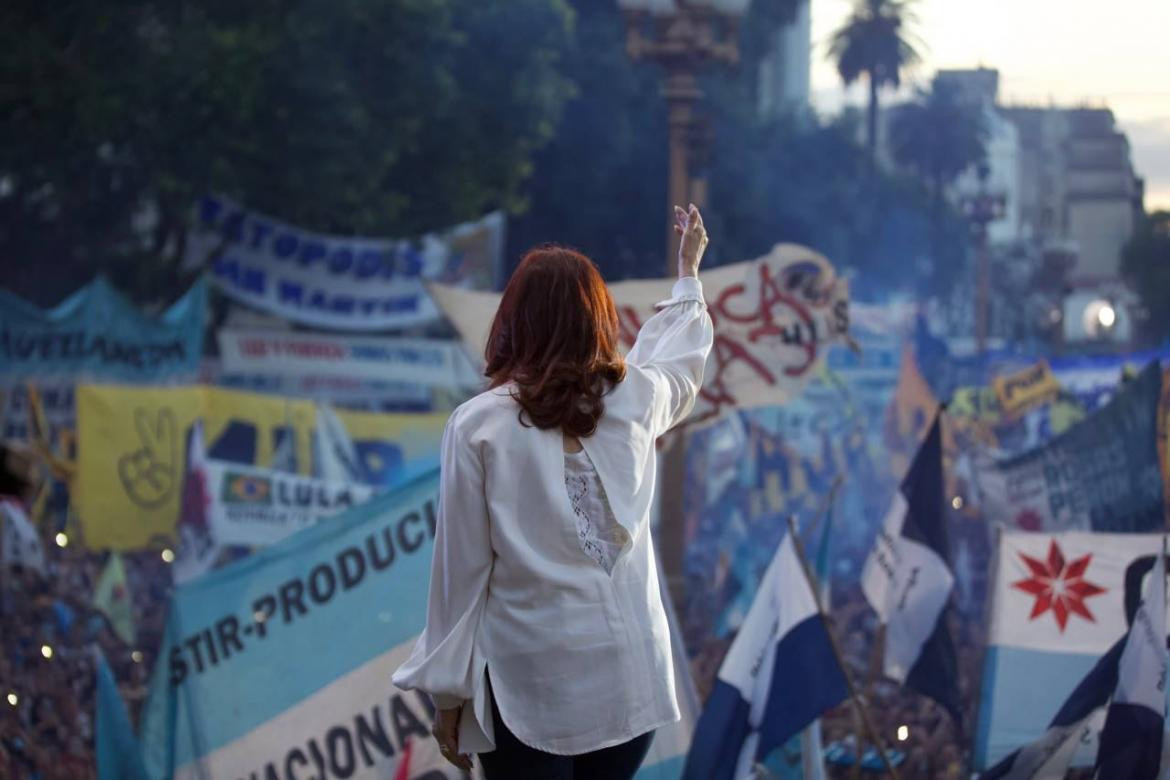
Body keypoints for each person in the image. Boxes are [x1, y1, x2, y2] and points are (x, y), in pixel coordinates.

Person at [392, 205, 714, 778]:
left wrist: (448, 698)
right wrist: (688, 272)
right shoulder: (633, 397)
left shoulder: (478, 426)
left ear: (514, 320)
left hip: (532, 691)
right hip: (630, 687)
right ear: (599, 319)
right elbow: (682, 365)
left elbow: (459, 575)